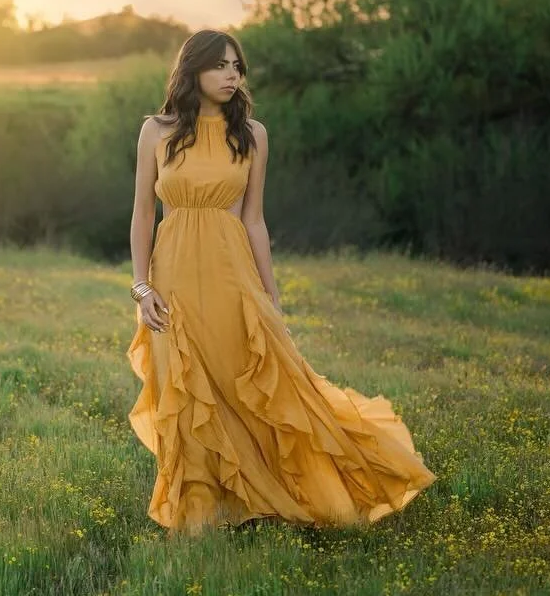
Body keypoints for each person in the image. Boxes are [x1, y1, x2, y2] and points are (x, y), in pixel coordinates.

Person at [126, 28, 436, 534]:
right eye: (221, 66)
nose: (232, 76)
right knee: (187, 390)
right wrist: (141, 288)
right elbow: (142, 215)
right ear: (193, 70)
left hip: (233, 276)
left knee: (248, 384)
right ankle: (204, 514)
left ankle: (271, 498)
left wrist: (271, 297)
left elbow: (253, 221)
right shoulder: (156, 131)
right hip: (173, 277)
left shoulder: (252, 134)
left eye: (237, 67)